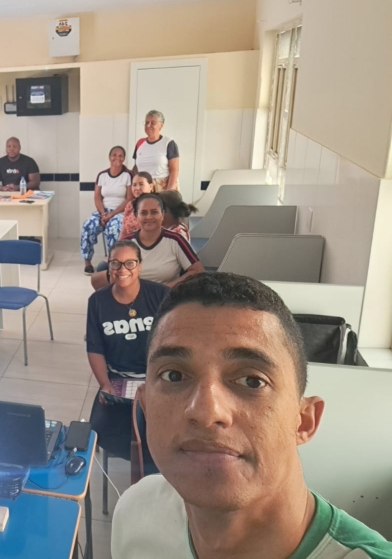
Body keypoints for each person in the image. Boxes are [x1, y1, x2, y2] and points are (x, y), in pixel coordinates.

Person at [112, 272, 392, 559]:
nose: (207, 411)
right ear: (146, 407)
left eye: (252, 381)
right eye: (174, 375)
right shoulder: (136, 513)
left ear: (305, 420)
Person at [86, 241, 169, 458]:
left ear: (140, 266)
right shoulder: (97, 301)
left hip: (157, 377)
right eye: (115, 263)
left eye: (130, 263)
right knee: (102, 430)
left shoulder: (161, 295)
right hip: (117, 378)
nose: (122, 269)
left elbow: (176, 342)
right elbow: (95, 348)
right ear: (109, 268)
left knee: (163, 434)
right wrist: (105, 384)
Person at [91, 193, 203, 291]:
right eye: (144, 213)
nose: (149, 217)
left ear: (162, 214)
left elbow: (197, 270)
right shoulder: (126, 243)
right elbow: (108, 277)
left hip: (165, 298)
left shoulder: (176, 240)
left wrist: (166, 289)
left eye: (154, 212)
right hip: (133, 298)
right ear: (136, 216)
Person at [80, 146, 133, 274]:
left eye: (120, 156)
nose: (117, 158)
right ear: (109, 157)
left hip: (120, 212)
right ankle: (87, 262)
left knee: (113, 227)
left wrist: (112, 214)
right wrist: (103, 213)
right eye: (114, 155)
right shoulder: (102, 175)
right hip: (103, 211)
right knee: (88, 225)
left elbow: (129, 199)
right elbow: (97, 197)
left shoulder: (128, 175)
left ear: (124, 158)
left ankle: (113, 261)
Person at [132, 110, 179, 192]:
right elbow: (136, 167)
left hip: (163, 188)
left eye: (153, 123)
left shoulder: (168, 143)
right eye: (147, 122)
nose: (148, 125)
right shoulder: (140, 143)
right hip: (144, 189)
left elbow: (174, 170)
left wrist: (169, 192)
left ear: (161, 126)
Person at [118, 171, 155, 241]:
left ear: (151, 186)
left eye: (141, 184)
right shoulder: (130, 205)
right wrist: (118, 246)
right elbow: (123, 232)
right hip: (130, 244)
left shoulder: (155, 205)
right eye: (134, 185)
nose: (137, 188)